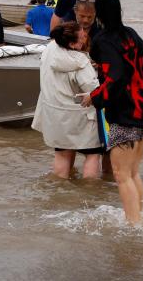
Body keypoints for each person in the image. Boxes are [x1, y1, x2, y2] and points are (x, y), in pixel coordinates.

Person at [89, 0, 143, 225]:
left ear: (98, 12)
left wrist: (94, 98)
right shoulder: (130, 33)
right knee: (133, 172)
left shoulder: (103, 40)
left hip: (124, 112)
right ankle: (141, 218)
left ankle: (134, 226)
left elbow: (115, 77)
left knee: (121, 175)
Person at [32, 21, 101, 179]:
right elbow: (93, 89)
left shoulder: (49, 50)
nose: (84, 36)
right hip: (80, 116)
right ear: (71, 44)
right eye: (80, 37)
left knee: (62, 154)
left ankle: (60, 193)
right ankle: (91, 196)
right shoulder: (80, 61)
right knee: (92, 155)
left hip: (54, 113)